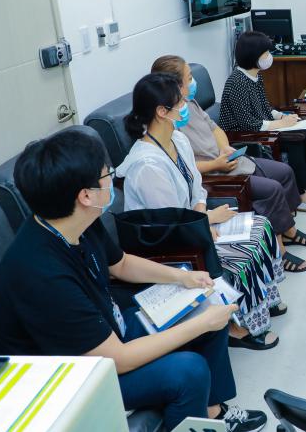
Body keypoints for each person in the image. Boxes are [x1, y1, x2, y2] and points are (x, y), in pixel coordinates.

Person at [0, 130, 267, 432]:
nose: (112, 180)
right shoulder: (41, 273)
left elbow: (120, 264)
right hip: (77, 378)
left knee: (206, 309)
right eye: (107, 174)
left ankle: (211, 413)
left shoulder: (76, 220)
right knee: (189, 370)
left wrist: (183, 277)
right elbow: (117, 359)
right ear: (85, 195)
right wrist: (201, 324)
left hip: (109, 331)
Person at [117, 73, 285, 351]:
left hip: (193, 224)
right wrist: (206, 222)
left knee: (260, 226)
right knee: (240, 255)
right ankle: (235, 326)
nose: (186, 107)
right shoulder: (147, 166)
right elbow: (170, 222)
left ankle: (262, 300)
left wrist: (202, 214)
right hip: (169, 244)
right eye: (180, 103)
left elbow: (197, 188)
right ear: (161, 112)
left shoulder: (178, 140)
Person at [150, 55, 306, 272]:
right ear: (174, 85)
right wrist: (216, 164)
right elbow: (184, 168)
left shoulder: (188, 104)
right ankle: (280, 251)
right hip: (214, 173)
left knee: (285, 171)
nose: (193, 82)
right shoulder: (169, 121)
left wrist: (224, 148)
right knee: (272, 188)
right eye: (189, 77)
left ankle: (289, 231)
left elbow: (215, 129)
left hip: (228, 160)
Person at [218, 31, 306, 214]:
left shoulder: (255, 76)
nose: (269, 57)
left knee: (304, 133)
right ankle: (302, 197)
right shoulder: (236, 82)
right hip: (244, 137)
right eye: (266, 53)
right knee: (293, 143)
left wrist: (282, 117)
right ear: (253, 55)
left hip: (260, 128)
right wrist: (281, 125)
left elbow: (265, 108)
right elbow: (247, 123)